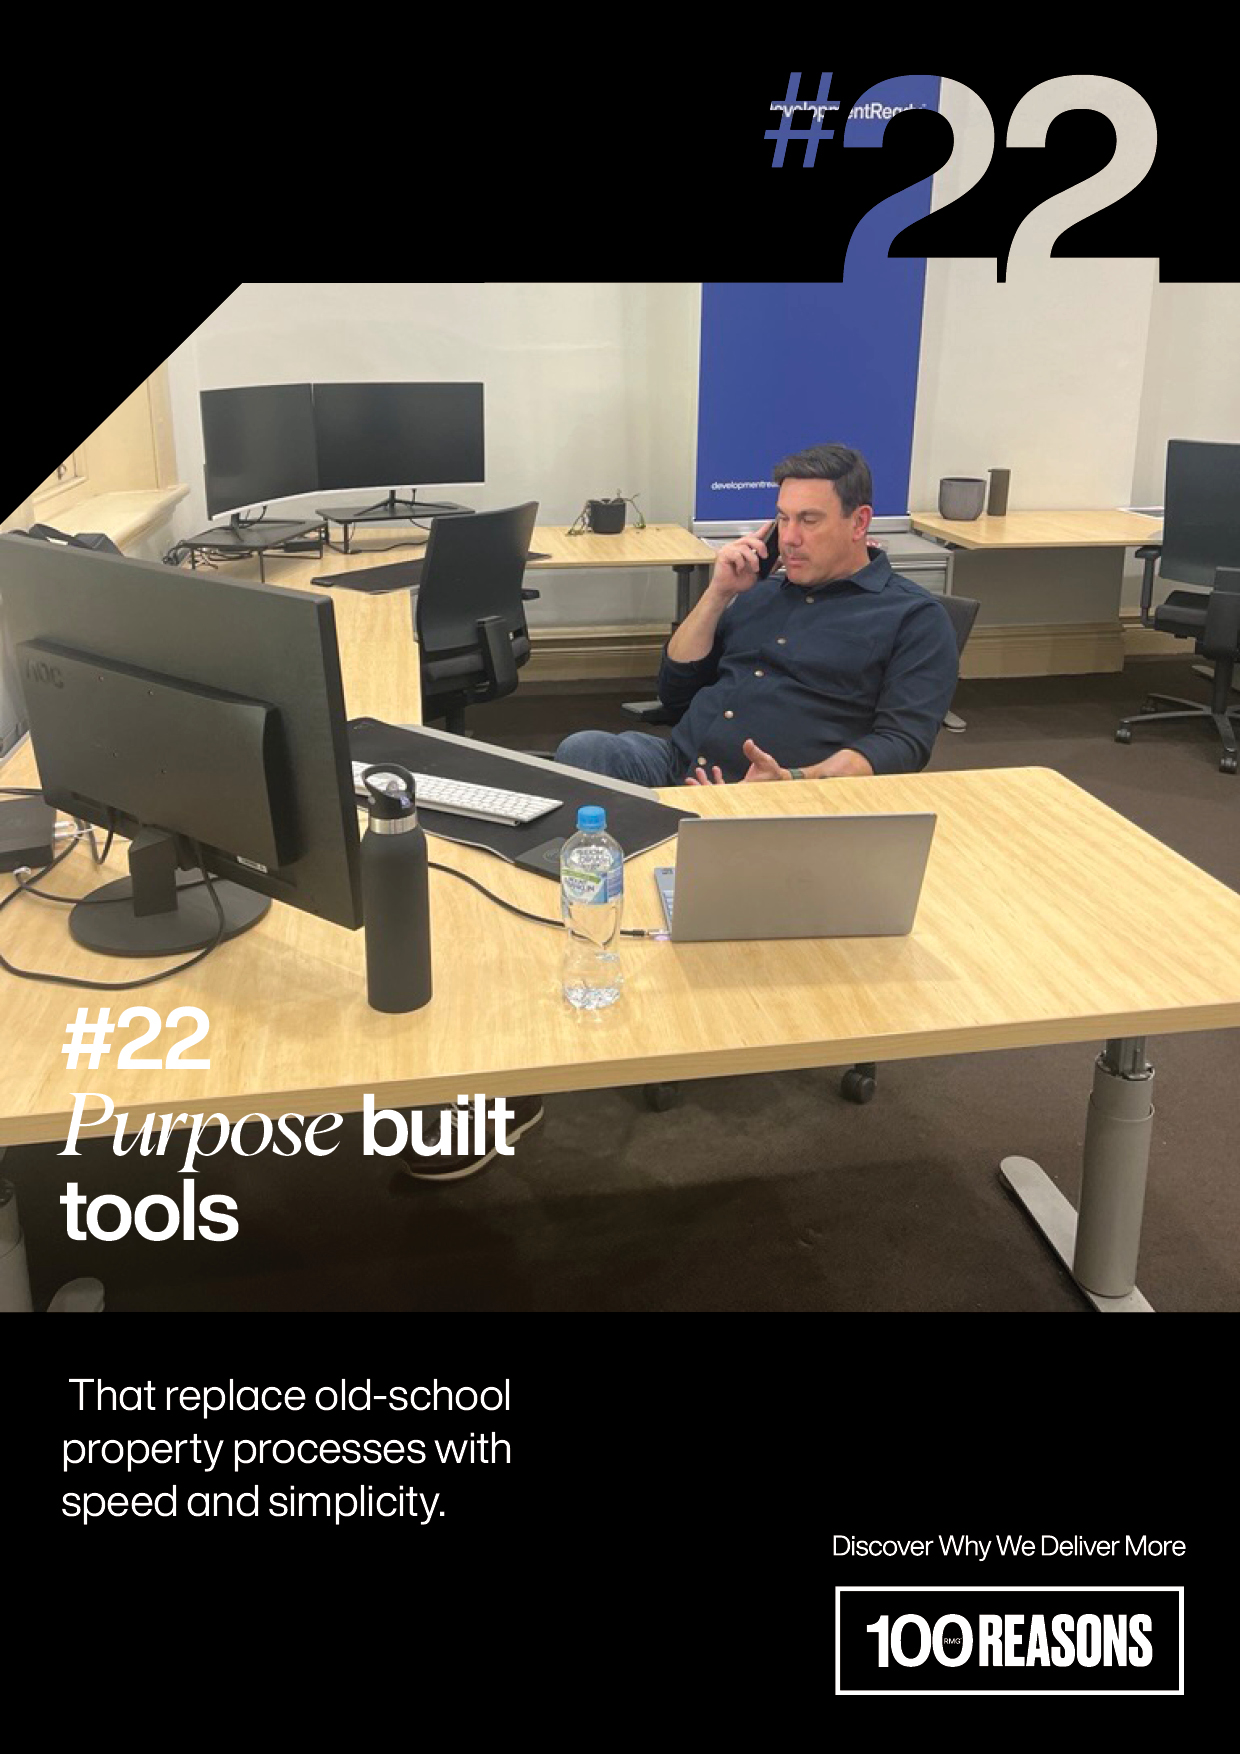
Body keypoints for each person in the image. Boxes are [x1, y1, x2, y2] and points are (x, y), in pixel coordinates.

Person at [555, 443, 959, 786]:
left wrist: (794, 780)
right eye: (783, 518)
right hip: (681, 766)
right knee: (585, 750)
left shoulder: (912, 617)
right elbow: (674, 693)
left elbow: (901, 744)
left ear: (859, 522)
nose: (790, 538)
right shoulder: (759, 592)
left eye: (809, 520)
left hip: (788, 791)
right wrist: (718, 594)